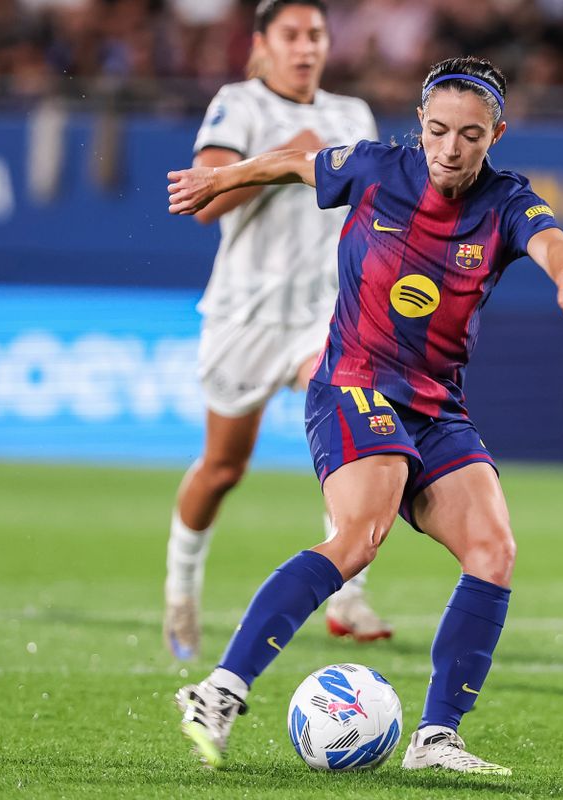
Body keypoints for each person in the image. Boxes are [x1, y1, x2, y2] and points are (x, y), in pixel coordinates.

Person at [166, 56, 563, 774]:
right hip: (353, 383)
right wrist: (221, 177)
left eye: (469, 134)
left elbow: (548, 238)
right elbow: (295, 164)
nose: (450, 150)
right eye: (437, 131)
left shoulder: (506, 202)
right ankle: (218, 691)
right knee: (359, 538)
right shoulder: (374, 169)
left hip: (436, 406)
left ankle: (436, 739)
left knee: (494, 551)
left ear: (496, 134)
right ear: (419, 127)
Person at [163, 0, 392, 660]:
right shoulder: (238, 105)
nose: (305, 47)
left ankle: (349, 593)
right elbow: (203, 201)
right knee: (222, 468)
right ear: (260, 44)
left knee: (356, 430)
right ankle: (181, 590)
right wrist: (290, 157)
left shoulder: (352, 116)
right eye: (290, 35)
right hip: (244, 316)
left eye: (315, 35)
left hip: (324, 315)